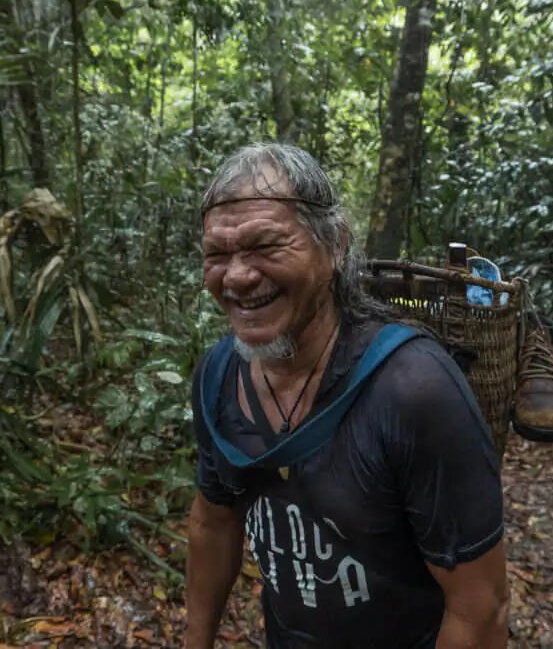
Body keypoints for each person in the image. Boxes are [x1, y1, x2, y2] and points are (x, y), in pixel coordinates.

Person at [184, 143, 510, 649]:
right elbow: (213, 520)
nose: (238, 276)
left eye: (265, 246)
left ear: (333, 245)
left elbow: (480, 609)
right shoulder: (217, 376)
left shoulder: (413, 390)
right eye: (217, 254)